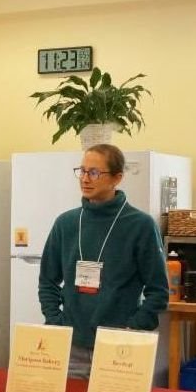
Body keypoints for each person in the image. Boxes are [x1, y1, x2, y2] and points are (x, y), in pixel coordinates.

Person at [38, 144, 168, 378]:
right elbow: (47, 280)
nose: (85, 179)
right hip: (71, 348)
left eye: (95, 173)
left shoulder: (140, 225)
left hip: (120, 350)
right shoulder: (65, 223)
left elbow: (159, 291)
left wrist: (133, 328)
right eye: (82, 171)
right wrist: (55, 321)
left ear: (117, 178)